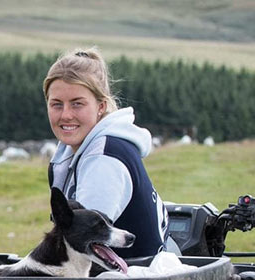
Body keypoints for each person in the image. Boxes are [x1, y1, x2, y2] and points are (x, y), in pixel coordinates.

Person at [44, 47, 171, 258]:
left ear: (101, 106)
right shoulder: (74, 150)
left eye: (77, 104)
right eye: (56, 104)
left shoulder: (104, 159)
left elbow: (82, 250)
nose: (66, 115)